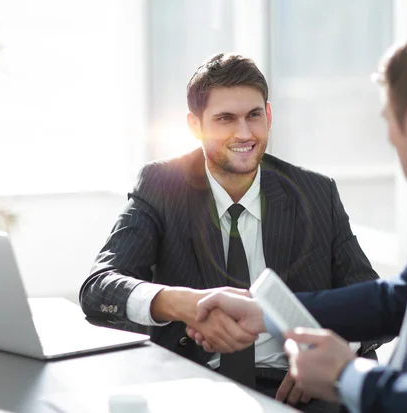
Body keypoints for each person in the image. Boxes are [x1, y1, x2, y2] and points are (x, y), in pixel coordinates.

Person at [189, 27, 407, 413]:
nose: (389, 138)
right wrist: (265, 314)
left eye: (387, 119)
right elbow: (399, 296)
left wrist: (345, 376)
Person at [79, 53, 384, 412]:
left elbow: (375, 301)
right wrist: (180, 303)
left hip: (299, 388)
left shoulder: (316, 193)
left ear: (268, 116)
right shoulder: (162, 186)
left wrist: (327, 356)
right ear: (196, 125)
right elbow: (99, 287)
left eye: (253, 115)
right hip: (195, 386)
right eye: (225, 119)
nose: (244, 133)